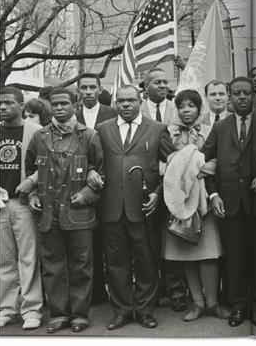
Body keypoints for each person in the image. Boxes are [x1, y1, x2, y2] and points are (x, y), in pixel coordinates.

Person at [94, 85, 176, 330]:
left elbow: (172, 168)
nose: (126, 105)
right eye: (121, 101)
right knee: (116, 262)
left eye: (130, 100)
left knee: (146, 261)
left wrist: (157, 194)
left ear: (140, 101)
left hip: (143, 208)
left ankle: (144, 310)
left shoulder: (157, 129)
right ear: (115, 103)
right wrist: (90, 173)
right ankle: (121, 310)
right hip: (112, 208)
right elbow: (94, 163)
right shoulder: (102, 129)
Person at [25, 87, 103, 333]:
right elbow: (30, 171)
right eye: (55, 104)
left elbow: (101, 172)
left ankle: (79, 314)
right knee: (53, 266)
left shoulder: (89, 136)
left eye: (64, 104)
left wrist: (88, 194)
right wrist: (33, 194)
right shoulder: (40, 137)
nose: (59, 108)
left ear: (75, 105)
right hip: (49, 213)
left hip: (79, 213)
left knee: (81, 266)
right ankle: (58, 314)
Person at [202, 76, 256, 327]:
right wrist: (213, 194)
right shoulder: (221, 127)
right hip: (230, 203)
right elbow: (204, 161)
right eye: (237, 94)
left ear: (253, 95)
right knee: (234, 258)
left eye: (246, 93)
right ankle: (238, 306)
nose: (242, 97)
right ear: (230, 98)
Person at [162, 89, 230, 322]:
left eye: (191, 106)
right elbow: (162, 163)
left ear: (199, 109)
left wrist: (191, 168)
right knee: (186, 253)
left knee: (208, 253)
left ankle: (212, 302)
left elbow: (217, 160)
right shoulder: (168, 133)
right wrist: (176, 169)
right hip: (178, 198)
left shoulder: (211, 130)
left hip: (204, 199)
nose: (186, 110)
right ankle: (197, 303)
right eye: (182, 106)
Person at [141, 68, 186, 311]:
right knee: (149, 243)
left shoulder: (176, 109)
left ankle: (177, 291)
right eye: (157, 81)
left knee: (173, 239)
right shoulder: (136, 111)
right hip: (144, 188)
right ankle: (154, 290)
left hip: (172, 184)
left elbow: (175, 154)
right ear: (145, 85)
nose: (163, 85)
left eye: (165, 82)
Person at [0, 87, 44, 330]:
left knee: (29, 258)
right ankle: (6, 308)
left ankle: (31, 309)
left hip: (23, 203)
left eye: (7, 103)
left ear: (20, 105)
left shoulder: (36, 132)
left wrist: (32, 181)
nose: (2, 107)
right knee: (3, 260)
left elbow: (46, 164)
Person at [74, 73, 117, 305]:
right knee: (87, 244)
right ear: (78, 90)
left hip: (109, 187)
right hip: (81, 187)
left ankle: (116, 291)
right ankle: (96, 292)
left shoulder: (113, 114)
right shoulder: (72, 116)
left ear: (100, 89)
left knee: (109, 242)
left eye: (93, 87)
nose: (88, 91)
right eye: (84, 87)